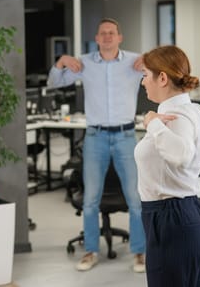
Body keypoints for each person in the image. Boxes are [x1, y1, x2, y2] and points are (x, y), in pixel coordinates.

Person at [47, 18, 146, 272]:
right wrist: (60, 63)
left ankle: (140, 253)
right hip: (96, 137)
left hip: (126, 136)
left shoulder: (135, 61)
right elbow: (54, 83)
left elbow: (167, 71)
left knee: (136, 198)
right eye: (103, 33)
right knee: (91, 198)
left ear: (120, 37)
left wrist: (152, 60)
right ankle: (90, 251)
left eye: (112, 32)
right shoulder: (85, 63)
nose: (107, 36)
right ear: (97, 38)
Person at [134, 45, 200, 287]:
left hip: (171, 220)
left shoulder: (172, 117)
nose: (143, 82)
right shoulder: (196, 111)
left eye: (145, 75)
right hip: (186, 216)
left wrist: (152, 124)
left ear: (163, 78)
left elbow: (182, 155)